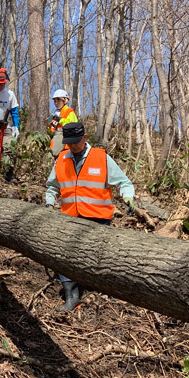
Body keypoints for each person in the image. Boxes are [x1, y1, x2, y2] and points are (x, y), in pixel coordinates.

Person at [45, 122, 136, 311]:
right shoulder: (62, 158)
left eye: (76, 142)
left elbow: (123, 182)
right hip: (70, 217)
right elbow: (52, 186)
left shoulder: (101, 158)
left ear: (85, 138)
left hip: (98, 219)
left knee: (97, 256)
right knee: (63, 253)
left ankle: (103, 287)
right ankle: (71, 294)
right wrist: (49, 202)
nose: (73, 147)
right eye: (69, 143)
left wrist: (128, 197)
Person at [0, 68, 20, 182]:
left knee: (9, 148)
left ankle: (8, 173)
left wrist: (16, 126)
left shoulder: (10, 94)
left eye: (2, 84)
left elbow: (14, 111)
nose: (0, 87)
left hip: (5, 127)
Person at [48, 89, 78, 156]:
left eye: (58, 100)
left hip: (63, 135)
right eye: (55, 101)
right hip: (54, 136)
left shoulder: (69, 111)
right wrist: (49, 126)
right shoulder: (54, 114)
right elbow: (52, 130)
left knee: (52, 153)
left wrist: (60, 120)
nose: (56, 103)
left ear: (65, 100)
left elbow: (73, 124)